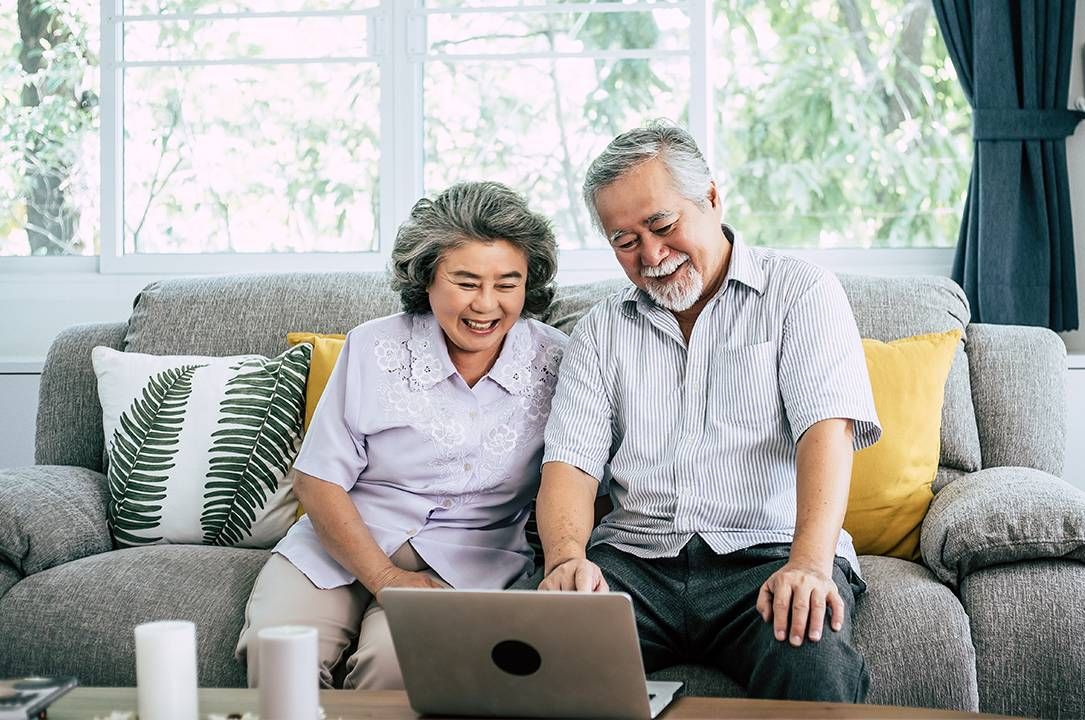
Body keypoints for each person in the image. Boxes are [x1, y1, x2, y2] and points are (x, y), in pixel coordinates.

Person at [527, 121, 882, 702]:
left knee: (814, 668)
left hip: (765, 556)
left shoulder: (800, 292)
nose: (651, 254)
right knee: (527, 656)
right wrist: (565, 561)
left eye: (662, 225)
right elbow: (570, 464)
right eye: (624, 240)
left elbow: (827, 431)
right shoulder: (600, 331)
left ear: (712, 198)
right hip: (634, 564)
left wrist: (811, 564)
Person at [236, 181, 568, 690]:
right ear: (427, 278)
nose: (486, 305)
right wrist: (386, 579)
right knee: (277, 654)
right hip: (342, 540)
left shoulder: (559, 362)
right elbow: (317, 479)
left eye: (507, 283)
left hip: (470, 561)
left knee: (397, 667)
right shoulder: (374, 347)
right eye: (465, 281)